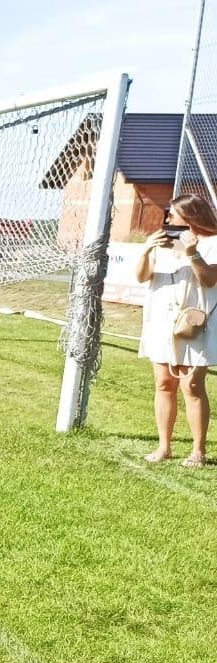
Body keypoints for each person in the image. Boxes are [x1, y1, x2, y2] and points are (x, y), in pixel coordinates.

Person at [135, 194, 217, 468]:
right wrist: (147, 249)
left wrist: (192, 253)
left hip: (193, 324)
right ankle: (164, 446)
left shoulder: (213, 243)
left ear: (190, 214)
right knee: (163, 384)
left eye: (173, 214)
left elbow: (208, 279)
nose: (168, 218)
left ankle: (198, 450)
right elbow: (142, 276)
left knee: (192, 385)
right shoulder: (163, 242)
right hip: (161, 321)